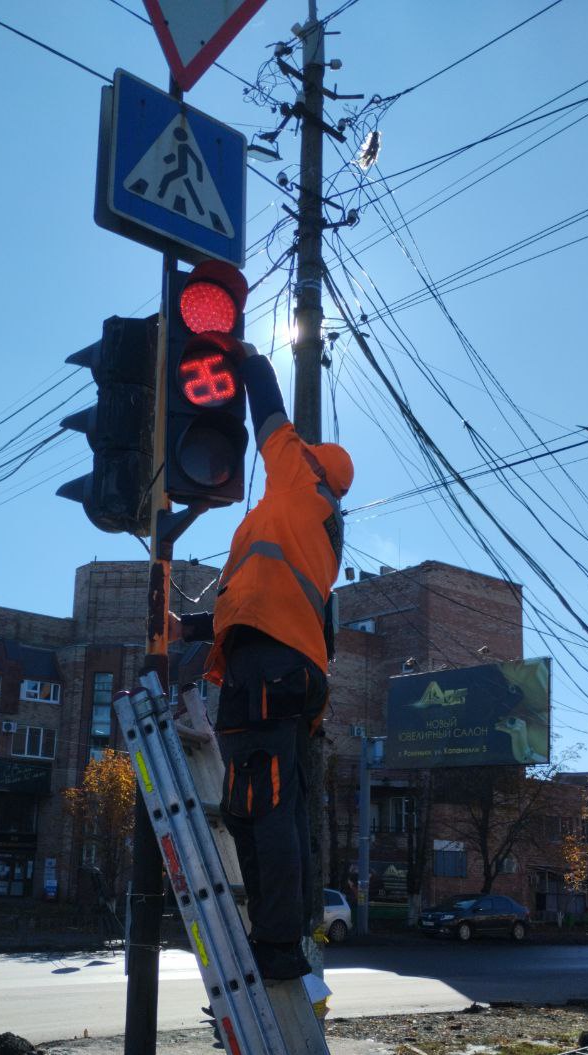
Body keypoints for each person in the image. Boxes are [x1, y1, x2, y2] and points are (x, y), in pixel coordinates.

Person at [170, 344, 354, 980]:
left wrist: (246, 359)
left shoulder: (302, 484)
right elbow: (247, 601)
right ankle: (277, 935)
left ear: (315, 466)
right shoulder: (303, 524)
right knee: (262, 805)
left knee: (265, 805)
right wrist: (187, 628)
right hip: (270, 668)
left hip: (273, 670)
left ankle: (276, 945)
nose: (289, 451)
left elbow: (272, 417)